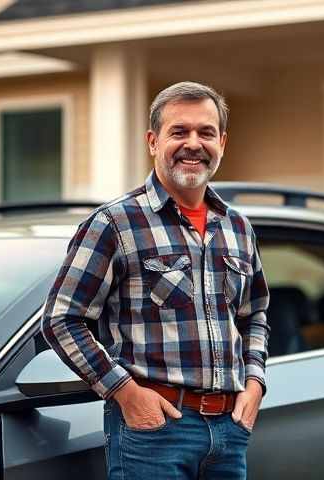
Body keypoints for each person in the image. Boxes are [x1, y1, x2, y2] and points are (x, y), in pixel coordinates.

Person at [41, 81, 270, 479]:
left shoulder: (237, 227)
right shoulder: (115, 223)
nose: (193, 143)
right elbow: (61, 320)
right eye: (179, 132)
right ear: (152, 141)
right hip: (154, 431)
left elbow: (255, 315)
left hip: (229, 433)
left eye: (206, 132)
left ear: (222, 143)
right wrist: (124, 393)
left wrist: (254, 383)